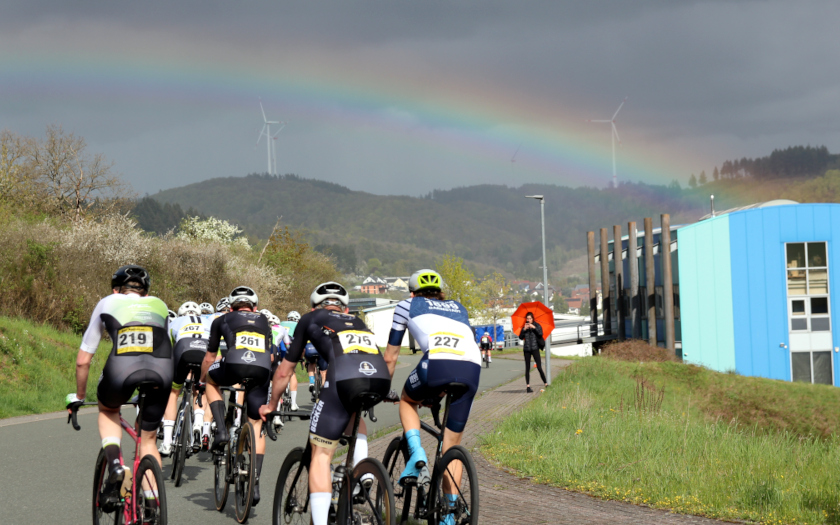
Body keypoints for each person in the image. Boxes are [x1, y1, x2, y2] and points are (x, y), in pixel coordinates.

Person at [259, 282, 390, 525]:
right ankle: (361, 475)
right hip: (379, 379)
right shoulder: (358, 322)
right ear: (346, 309)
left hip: (344, 379)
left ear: (313, 307)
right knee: (354, 413)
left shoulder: (310, 319)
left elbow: (283, 371)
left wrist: (271, 404)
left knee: (320, 454)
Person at [65, 265, 173, 507]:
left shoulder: (107, 302)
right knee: (147, 440)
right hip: (162, 372)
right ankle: (153, 506)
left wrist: (79, 396)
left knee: (108, 410)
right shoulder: (160, 305)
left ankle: (115, 466)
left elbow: (83, 360)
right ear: (145, 293)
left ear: (116, 290)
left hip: (121, 370)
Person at [383, 269, 482, 512]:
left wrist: (383, 388)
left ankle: (417, 455)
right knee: (450, 447)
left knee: (407, 401)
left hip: (436, 363)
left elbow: (391, 357)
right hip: (471, 366)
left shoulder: (407, 305)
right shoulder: (458, 307)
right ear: (440, 293)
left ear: (412, 291)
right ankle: (449, 514)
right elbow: (458, 349)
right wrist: (437, 393)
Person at [200, 285, 274, 506]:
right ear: (255, 307)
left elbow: (210, 357)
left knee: (211, 382)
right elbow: (270, 356)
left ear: (230, 308)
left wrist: (202, 379)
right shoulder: (264, 321)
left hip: (232, 365)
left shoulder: (221, 319)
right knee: (257, 425)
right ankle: (255, 482)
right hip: (262, 369)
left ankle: (222, 432)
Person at [158, 301, 214, 456]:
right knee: (199, 389)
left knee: (173, 393)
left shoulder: (174, 321)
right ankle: (198, 423)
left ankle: (167, 442)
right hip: (204, 353)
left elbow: (167, 349)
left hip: (183, 351)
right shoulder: (208, 321)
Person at [519, 312, 547, 393]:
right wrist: (524, 329)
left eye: (530, 318)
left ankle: (545, 383)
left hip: (535, 348)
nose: (528, 320)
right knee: (527, 368)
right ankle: (528, 386)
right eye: (527, 319)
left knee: (539, 367)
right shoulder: (525, 327)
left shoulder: (537, 325)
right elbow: (520, 337)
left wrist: (533, 327)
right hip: (527, 349)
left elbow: (540, 334)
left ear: (532, 319)